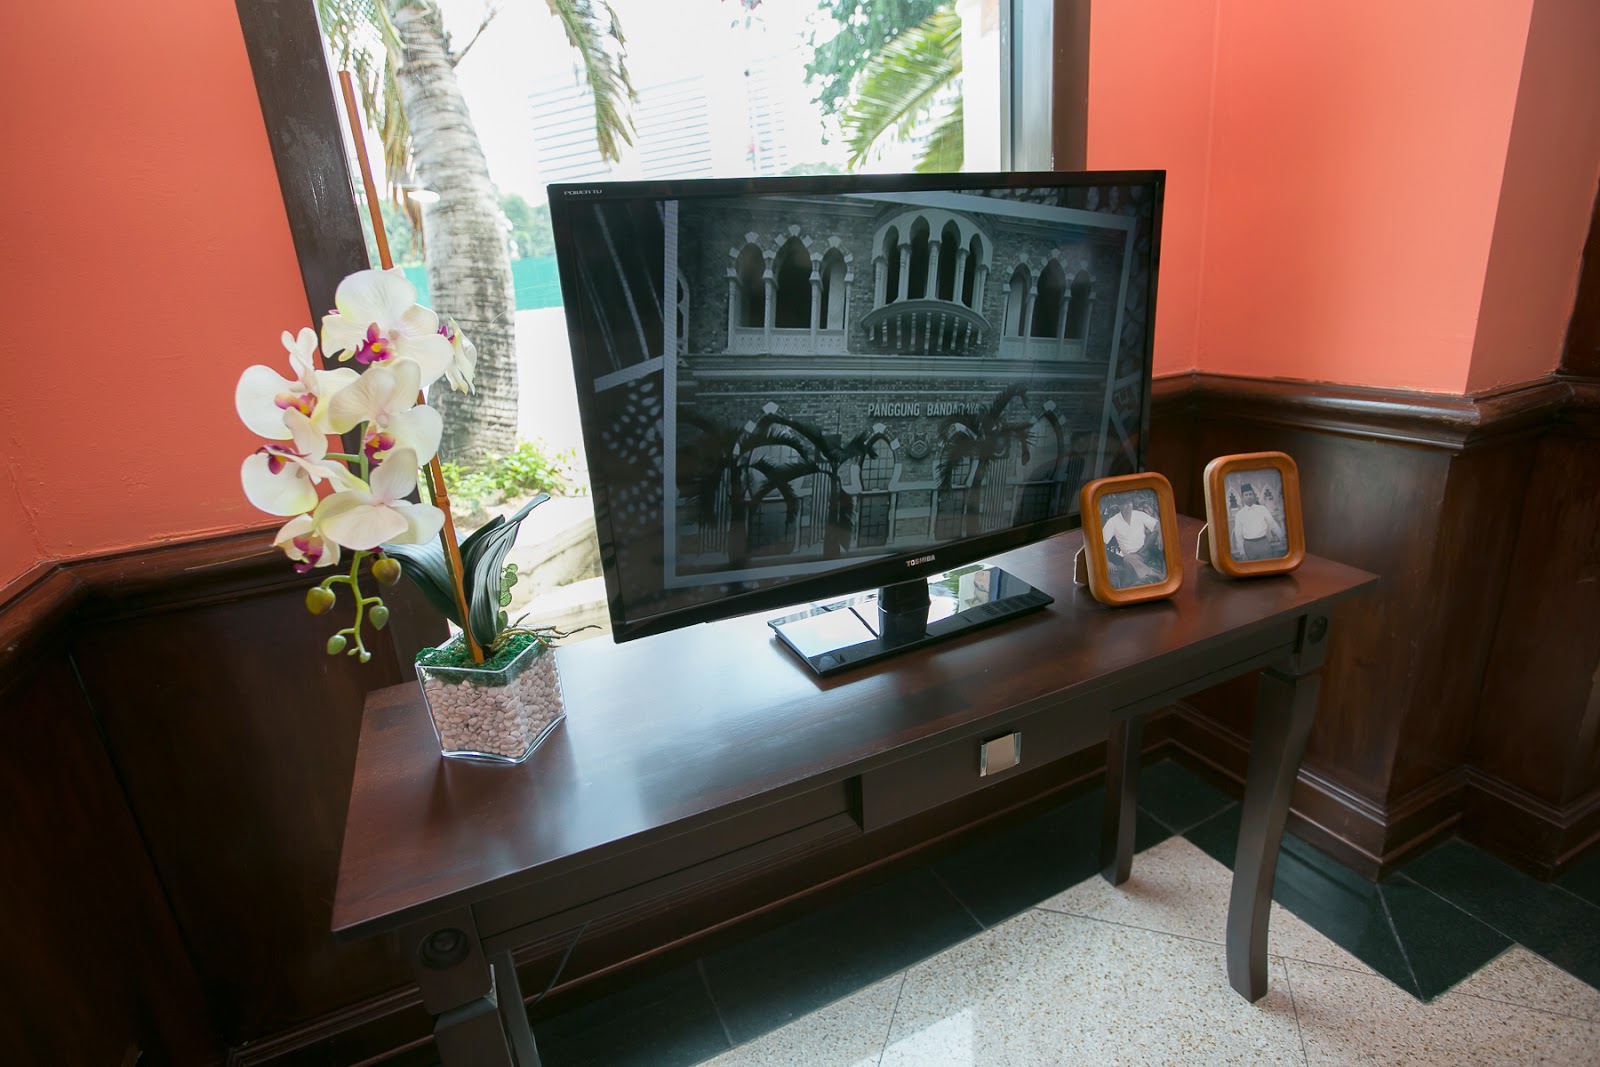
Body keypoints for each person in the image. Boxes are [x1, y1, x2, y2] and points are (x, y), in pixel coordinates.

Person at [1102, 496, 1163, 588]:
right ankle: (1153, 573)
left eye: (1130, 503)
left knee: (1157, 532)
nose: (1128, 506)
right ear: (1120, 506)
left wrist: (1159, 536)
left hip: (1146, 549)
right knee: (1127, 559)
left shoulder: (1138, 514)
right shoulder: (1113, 521)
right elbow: (1102, 542)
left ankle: (1148, 571)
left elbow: (1157, 524)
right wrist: (1106, 561)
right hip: (1132, 556)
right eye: (1125, 504)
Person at [1230, 483, 1286, 561]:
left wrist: (1282, 536)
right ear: (1242, 497)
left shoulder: (1262, 509)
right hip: (1249, 545)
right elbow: (1238, 535)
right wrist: (1242, 553)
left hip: (1264, 543)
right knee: (1252, 567)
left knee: (1267, 564)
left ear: (1254, 495)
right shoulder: (1239, 514)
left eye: (1250, 494)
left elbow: (1272, 524)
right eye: (1246, 495)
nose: (1249, 496)